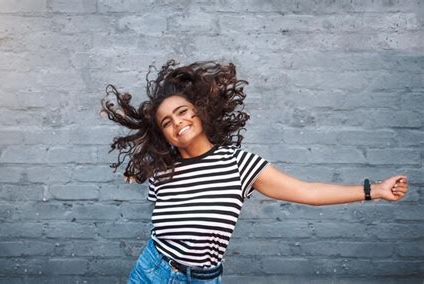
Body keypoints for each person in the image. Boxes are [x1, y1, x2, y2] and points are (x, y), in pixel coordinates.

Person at [100, 59, 409, 284]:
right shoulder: (162, 173)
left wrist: (375, 190)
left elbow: (308, 192)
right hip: (152, 271)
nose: (177, 122)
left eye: (182, 112)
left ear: (199, 111)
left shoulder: (240, 165)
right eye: (166, 122)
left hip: (204, 279)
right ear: (163, 134)